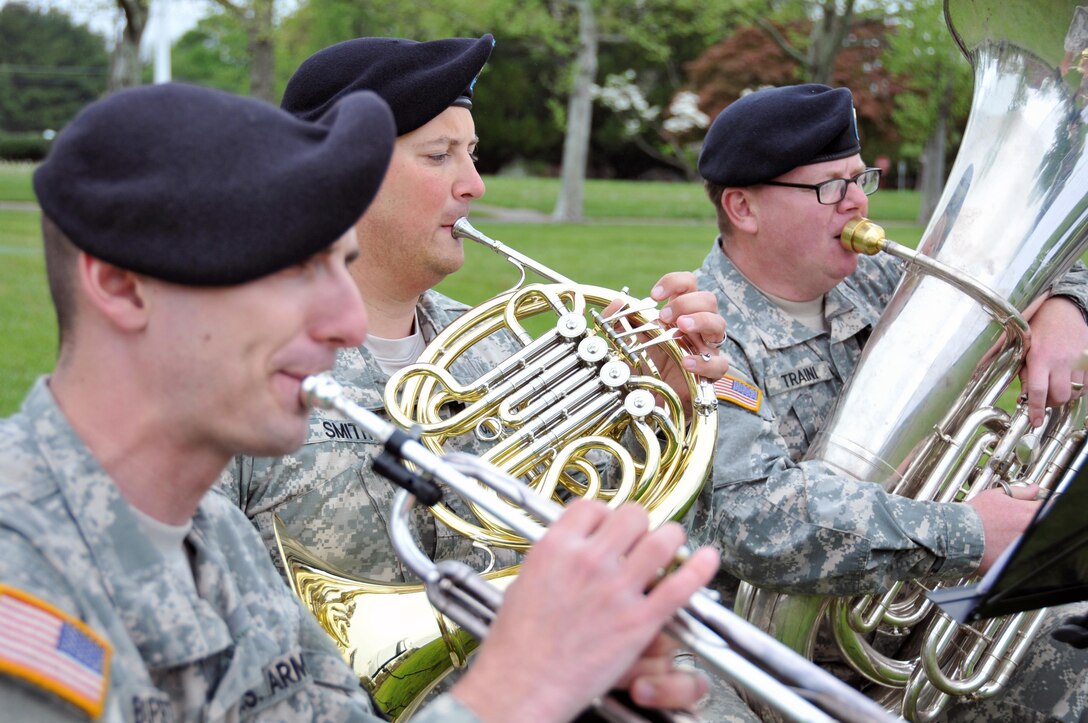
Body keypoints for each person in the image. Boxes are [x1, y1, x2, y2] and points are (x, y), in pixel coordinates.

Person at [0, 81, 720, 722]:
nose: (349, 323)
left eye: (343, 265)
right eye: (293, 268)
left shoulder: (211, 539)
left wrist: (573, 681)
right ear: (124, 286)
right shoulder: (19, 586)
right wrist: (509, 696)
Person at [218, 34, 729, 584]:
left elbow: (600, 526)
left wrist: (656, 403)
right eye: (440, 156)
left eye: (472, 154)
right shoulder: (235, 366)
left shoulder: (495, 347)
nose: (476, 185)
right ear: (340, 176)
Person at [691, 83, 1088, 720]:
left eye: (859, 178)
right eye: (829, 187)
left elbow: (1034, 264)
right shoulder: (700, 336)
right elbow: (759, 522)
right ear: (743, 207)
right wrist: (972, 532)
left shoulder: (883, 276)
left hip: (927, 618)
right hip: (773, 662)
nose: (856, 202)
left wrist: (1067, 306)